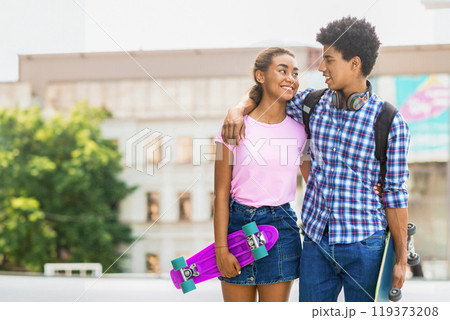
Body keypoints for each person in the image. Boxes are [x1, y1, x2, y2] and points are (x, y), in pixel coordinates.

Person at [221, 17, 410, 302]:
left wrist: (401, 258)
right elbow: (268, 93)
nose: (321, 67)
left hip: (365, 247)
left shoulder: (390, 121)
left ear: (354, 63)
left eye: (329, 60)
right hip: (315, 246)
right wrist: (237, 109)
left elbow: (396, 194)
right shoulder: (311, 104)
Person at [213, 47, 310, 302]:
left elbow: (315, 183)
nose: (291, 77)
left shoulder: (302, 132)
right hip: (236, 227)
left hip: (282, 229)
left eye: (295, 73)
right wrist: (221, 249)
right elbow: (221, 193)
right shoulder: (232, 126)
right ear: (260, 76)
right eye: (282, 70)